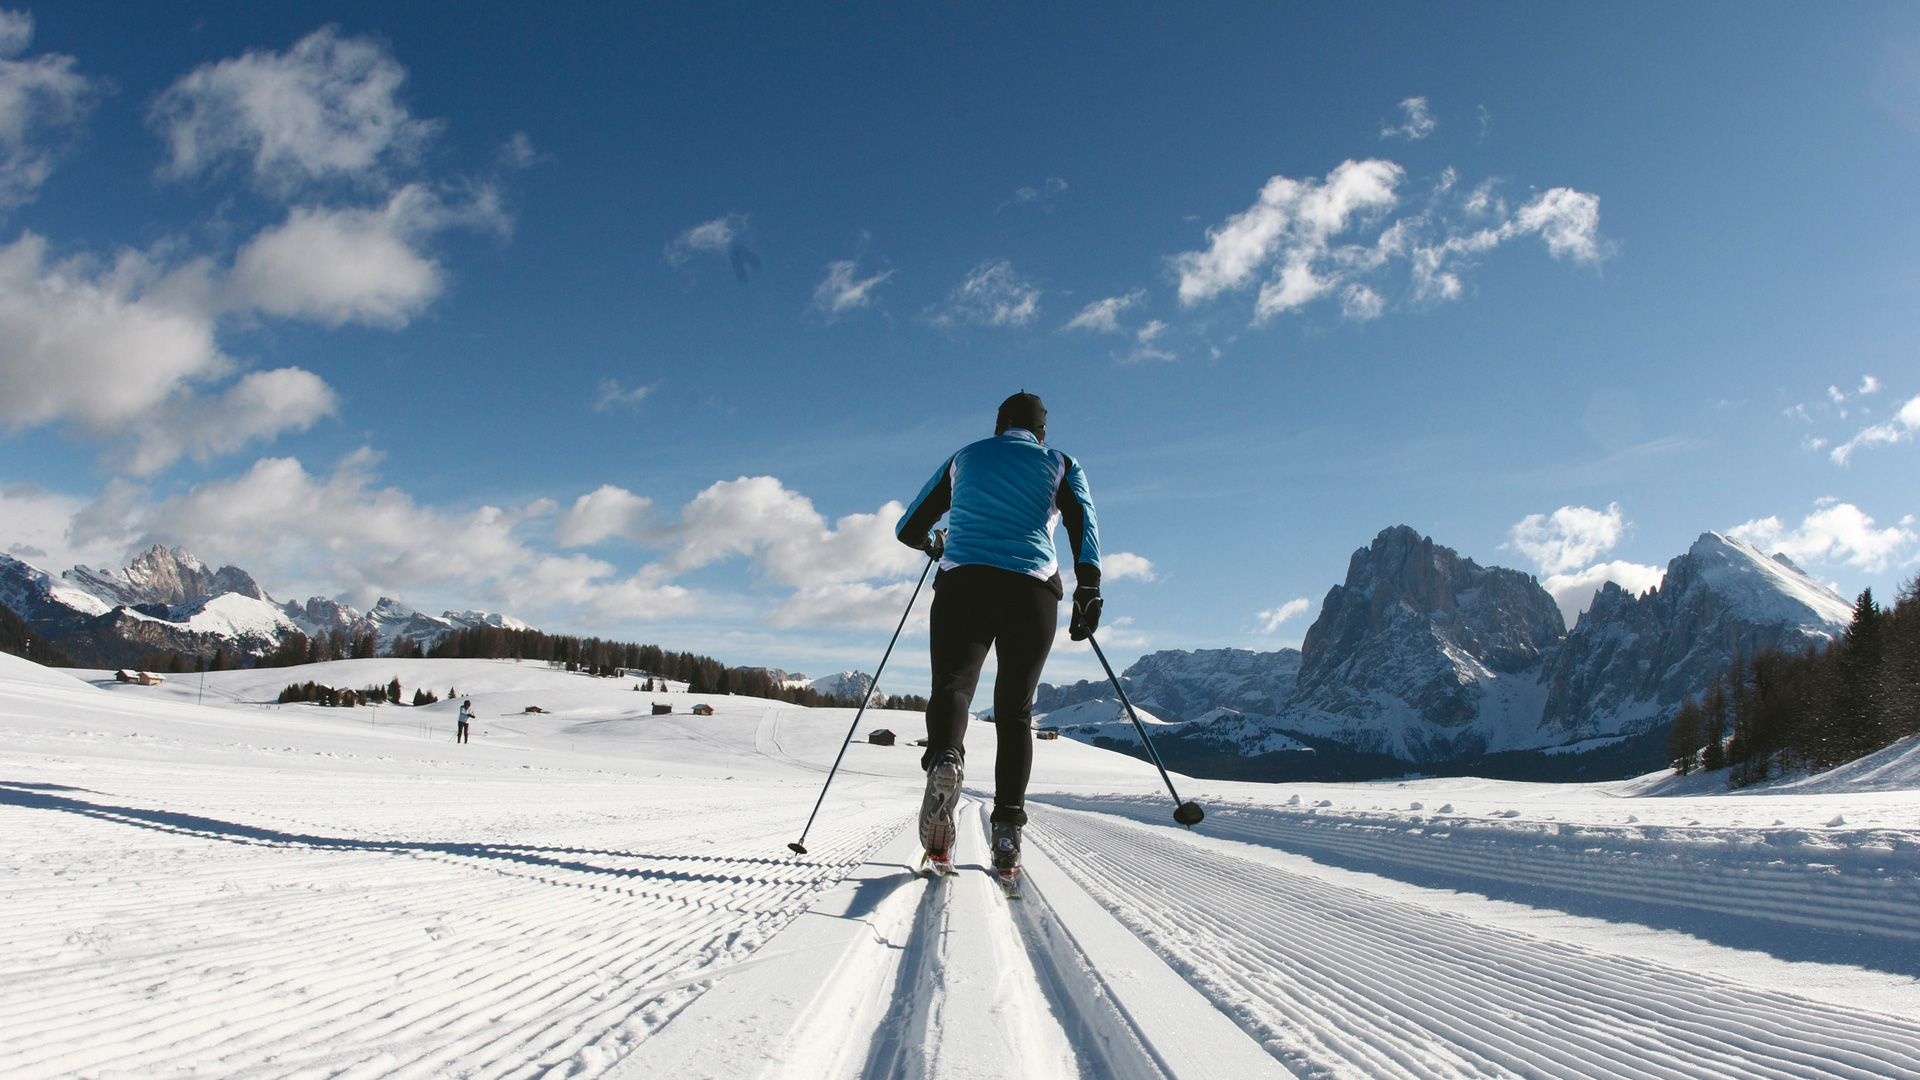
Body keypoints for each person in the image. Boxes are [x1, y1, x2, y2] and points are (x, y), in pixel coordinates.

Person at [894, 391, 1102, 888]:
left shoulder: (965, 458)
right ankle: (1007, 831)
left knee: (953, 686)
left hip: (963, 582)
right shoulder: (1061, 462)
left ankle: (946, 756)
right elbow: (1083, 524)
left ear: (999, 425)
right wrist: (1088, 587)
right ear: (1041, 431)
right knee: (1014, 711)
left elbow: (907, 528)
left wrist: (935, 542)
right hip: (1031, 591)